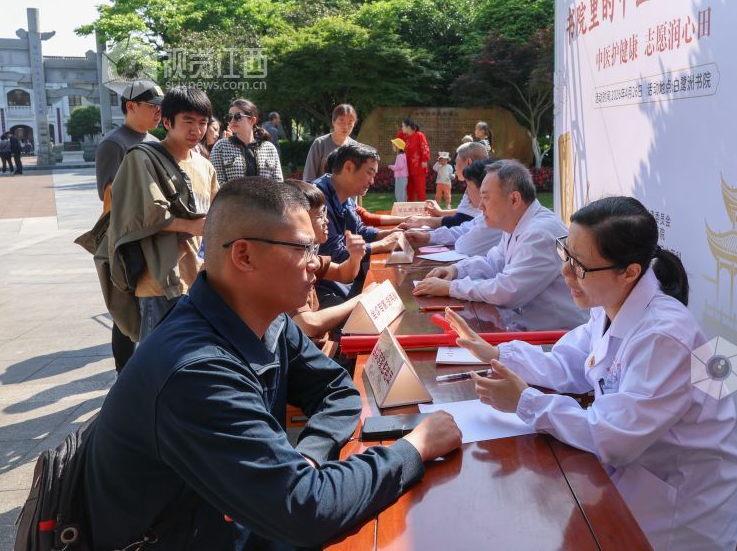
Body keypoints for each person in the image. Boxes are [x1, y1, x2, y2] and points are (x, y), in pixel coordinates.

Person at [84, 177, 462, 550]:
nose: (316, 263)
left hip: (236, 519)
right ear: (244, 255)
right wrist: (415, 448)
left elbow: (336, 389)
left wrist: (310, 455)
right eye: (303, 248)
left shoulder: (267, 319)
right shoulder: (196, 371)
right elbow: (305, 510)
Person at [449, 196, 737, 550]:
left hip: (680, 510)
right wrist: (500, 354)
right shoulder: (611, 301)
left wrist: (525, 402)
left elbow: (613, 439)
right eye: (566, 254)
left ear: (630, 271)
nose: (566, 273)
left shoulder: (664, 336)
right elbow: (571, 362)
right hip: (639, 475)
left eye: (580, 266)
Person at [414, 160, 588, 331]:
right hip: (528, 329)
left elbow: (508, 291)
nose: (480, 206)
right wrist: (456, 270)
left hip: (555, 340)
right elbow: (493, 262)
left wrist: (451, 288)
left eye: (486, 198)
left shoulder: (539, 233)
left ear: (514, 199)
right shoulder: (517, 224)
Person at [108, 87, 218, 343]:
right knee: (156, 363)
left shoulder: (205, 165)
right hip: (159, 281)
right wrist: (190, 226)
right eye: (188, 121)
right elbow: (141, 213)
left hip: (199, 279)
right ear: (167, 121)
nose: (196, 130)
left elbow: (217, 212)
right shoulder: (142, 158)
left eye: (202, 122)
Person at [94, 80, 164, 371]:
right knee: (125, 307)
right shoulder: (115, 142)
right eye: (152, 107)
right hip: (125, 236)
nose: (158, 113)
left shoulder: (155, 142)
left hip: (155, 232)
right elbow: (108, 194)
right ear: (131, 106)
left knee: (150, 303)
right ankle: (124, 372)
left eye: (161, 108)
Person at [314, 143, 403, 298]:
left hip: (346, 278)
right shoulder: (317, 199)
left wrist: (391, 233)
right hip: (323, 287)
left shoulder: (345, 195)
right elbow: (335, 256)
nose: (372, 181)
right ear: (348, 167)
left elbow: (359, 230)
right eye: (369, 173)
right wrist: (381, 244)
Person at [284, 179, 368, 342]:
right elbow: (308, 324)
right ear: (299, 220)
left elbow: (343, 274)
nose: (327, 221)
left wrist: (355, 257)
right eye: (320, 215)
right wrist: (362, 299)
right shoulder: (289, 264)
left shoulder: (308, 254)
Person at [406, 158, 503, 257]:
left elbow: (465, 245)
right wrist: (427, 237)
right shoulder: (491, 214)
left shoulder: (498, 218)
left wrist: (426, 227)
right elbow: (465, 228)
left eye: (468, 186)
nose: (466, 193)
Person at [401, 141, 488, 225]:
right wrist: (441, 212)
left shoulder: (475, 185)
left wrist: (425, 221)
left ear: (469, 162)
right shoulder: (475, 183)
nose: (455, 167)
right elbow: (464, 211)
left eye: (456, 162)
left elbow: (464, 220)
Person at [209, 98, 283, 185]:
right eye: (229, 117)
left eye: (237, 116)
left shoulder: (269, 148)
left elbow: (279, 184)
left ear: (252, 120)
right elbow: (216, 184)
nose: (232, 120)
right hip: (231, 199)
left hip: (266, 198)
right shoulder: (220, 147)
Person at [303, 103, 358, 181]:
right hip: (321, 192)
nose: (345, 126)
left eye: (350, 123)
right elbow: (309, 175)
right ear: (333, 122)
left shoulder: (355, 147)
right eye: (341, 121)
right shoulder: (320, 143)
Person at [399, 118, 430, 202]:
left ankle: (423, 210)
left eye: (403, 126)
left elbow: (425, 147)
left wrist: (425, 160)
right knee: (410, 191)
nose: (401, 128)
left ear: (408, 127)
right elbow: (398, 137)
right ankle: (411, 210)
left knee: (420, 191)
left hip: (419, 166)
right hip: (408, 168)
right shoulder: (406, 137)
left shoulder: (419, 135)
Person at [389, 138, 408, 202]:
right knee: (402, 192)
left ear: (398, 147)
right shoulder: (402, 155)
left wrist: (391, 167)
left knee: (399, 192)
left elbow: (399, 166)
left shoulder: (400, 156)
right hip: (402, 177)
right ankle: (403, 205)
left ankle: (400, 205)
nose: (393, 147)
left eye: (394, 145)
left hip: (400, 177)